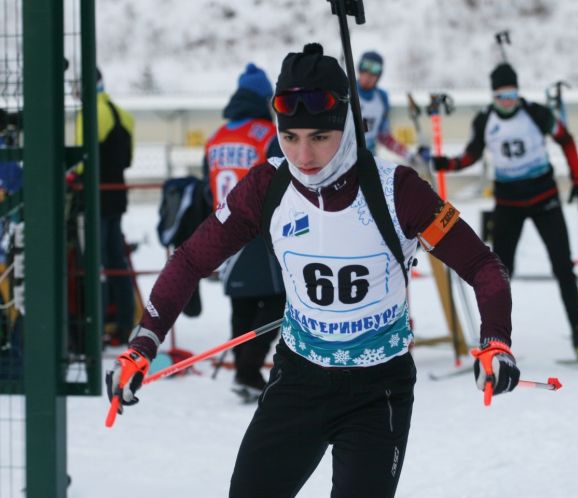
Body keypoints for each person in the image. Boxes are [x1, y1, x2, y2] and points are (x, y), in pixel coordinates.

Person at [107, 43, 519, 497]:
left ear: (346, 125)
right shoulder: (268, 186)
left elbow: (482, 264)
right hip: (299, 379)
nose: (304, 155)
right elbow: (189, 259)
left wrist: (495, 340)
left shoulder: (397, 191)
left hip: (377, 388)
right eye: (290, 137)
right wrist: (143, 342)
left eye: (320, 137)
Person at [432, 62, 578, 360]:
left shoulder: (536, 113)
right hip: (508, 202)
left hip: (544, 196)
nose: (507, 102)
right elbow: (472, 154)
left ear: (518, 93)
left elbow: (567, 140)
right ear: (493, 96)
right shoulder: (485, 120)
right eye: (501, 96)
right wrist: (449, 164)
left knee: (563, 266)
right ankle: (496, 341)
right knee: (498, 271)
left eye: (511, 95)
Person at [203, 63, 286, 401]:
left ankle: (243, 371)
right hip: (258, 228)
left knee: (241, 303)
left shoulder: (216, 138)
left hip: (224, 228)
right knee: (279, 299)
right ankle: (248, 371)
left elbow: (205, 185)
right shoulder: (268, 134)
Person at [74, 68, 135, 345]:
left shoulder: (88, 114)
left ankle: (94, 328)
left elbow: (80, 161)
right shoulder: (123, 114)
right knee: (116, 262)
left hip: (94, 197)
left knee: (93, 264)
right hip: (116, 195)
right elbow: (127, 159)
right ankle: (124, 323)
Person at [357, 50, 429, 164]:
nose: (369, 74)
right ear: (359, 69)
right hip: (345, 154)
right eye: (365, 67)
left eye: (375, 69)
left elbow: (384, 136)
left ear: (379, 75)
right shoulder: (346, 92)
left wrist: (409, 155)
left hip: (368, 155)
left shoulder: (381, 98)